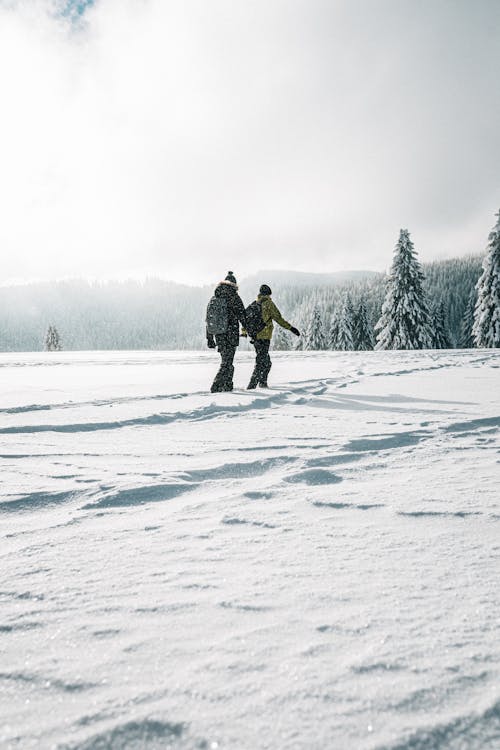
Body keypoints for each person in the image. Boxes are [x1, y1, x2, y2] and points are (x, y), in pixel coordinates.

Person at [246, 284, 300, 389]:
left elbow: (246, 319)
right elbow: (278, 318)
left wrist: (245, 332)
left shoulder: (254, 304)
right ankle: (252, 386)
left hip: (255, 336)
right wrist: (291, 328)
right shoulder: (268, 304)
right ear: (268, 294)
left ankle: (262, 384)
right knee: (262, 362)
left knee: (265, 362)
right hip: (264, 336)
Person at [206, 272, 247, 392]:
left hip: (219, 334)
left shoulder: (215, 297)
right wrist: (250, 331)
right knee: (227, 362)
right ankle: (216, 385)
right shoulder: (234, 297)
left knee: (227, 360)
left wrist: (210, 338)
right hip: (231, 333)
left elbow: (209, 319)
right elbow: (242, 316)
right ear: (234, 284)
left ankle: (228, 386)